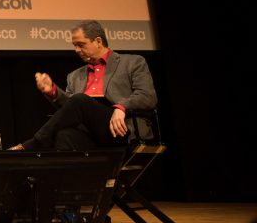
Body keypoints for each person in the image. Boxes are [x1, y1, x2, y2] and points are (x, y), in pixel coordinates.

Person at [11, 20, 156, 150]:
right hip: (89, 134)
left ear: (98, 41)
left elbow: (147, 96)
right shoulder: (74, 76)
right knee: (64, 134)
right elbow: (69, 110)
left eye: (81, 45)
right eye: (75, 46)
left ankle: (34, 144)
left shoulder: (132, 62)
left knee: (80, 99)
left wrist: (122, 107)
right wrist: (53, 92)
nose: (77, 50)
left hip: (122, 127)